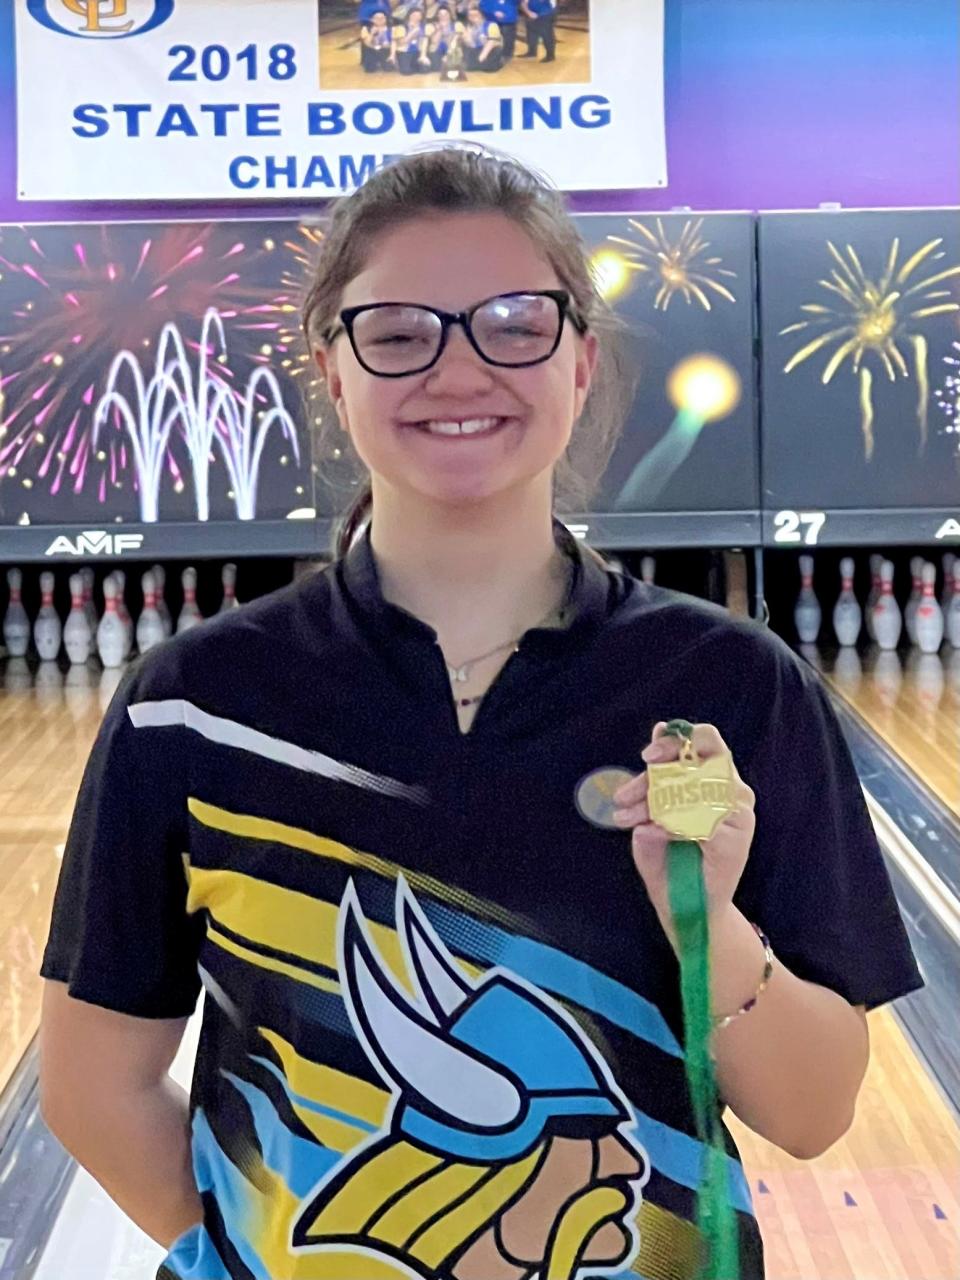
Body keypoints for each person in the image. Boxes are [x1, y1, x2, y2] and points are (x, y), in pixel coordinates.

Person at [39, 146, 922, 1280]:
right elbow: (90, 1085)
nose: (459, 370)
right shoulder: (191, 705)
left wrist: (711, 932)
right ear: (332, 369)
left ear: (582, 360)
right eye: (399, 331)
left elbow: (813, 1113)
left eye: (516, 322)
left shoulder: (732, 688)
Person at [461, 3, 504, 71]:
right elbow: (471, 44)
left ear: (481, 15)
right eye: (470, 15)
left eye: (476, 15)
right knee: (470, 68)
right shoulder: (469, 27)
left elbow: (492, 42)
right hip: (477, 49)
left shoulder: (491, 25)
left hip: (490, 51)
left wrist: (482, 57)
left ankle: (497, 62)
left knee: (488, 69)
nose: (473, 17)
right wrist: (467, 38)